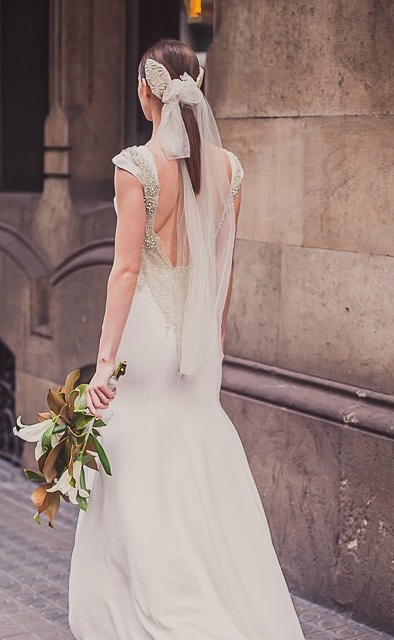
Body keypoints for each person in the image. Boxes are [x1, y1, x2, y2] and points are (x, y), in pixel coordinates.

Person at [68, 38, 305, 640]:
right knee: (194, 451)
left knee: (140, 454)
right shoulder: (229, 170)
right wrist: (211, 342)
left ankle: (155, 602)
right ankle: (219, 593)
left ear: (148, 92)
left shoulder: (135, 166)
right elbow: (223, 271)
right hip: (199, 337)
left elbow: (124, 271)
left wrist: (102, 365)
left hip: (147, 328)